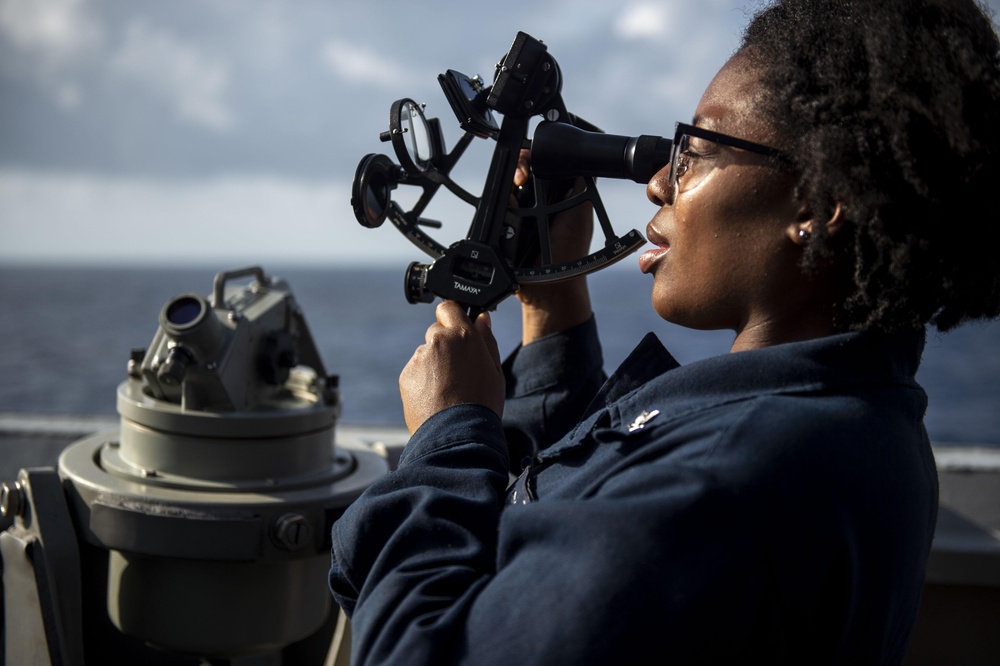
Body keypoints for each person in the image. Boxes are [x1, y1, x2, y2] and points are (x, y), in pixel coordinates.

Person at [329, 0, 1000, 662]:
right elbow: (588, 501)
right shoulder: (853, 420)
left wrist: (446, 436)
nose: (656, 184)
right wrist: (553, 305)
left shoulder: (726, 489)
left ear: (818, 202)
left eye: (697, 151)